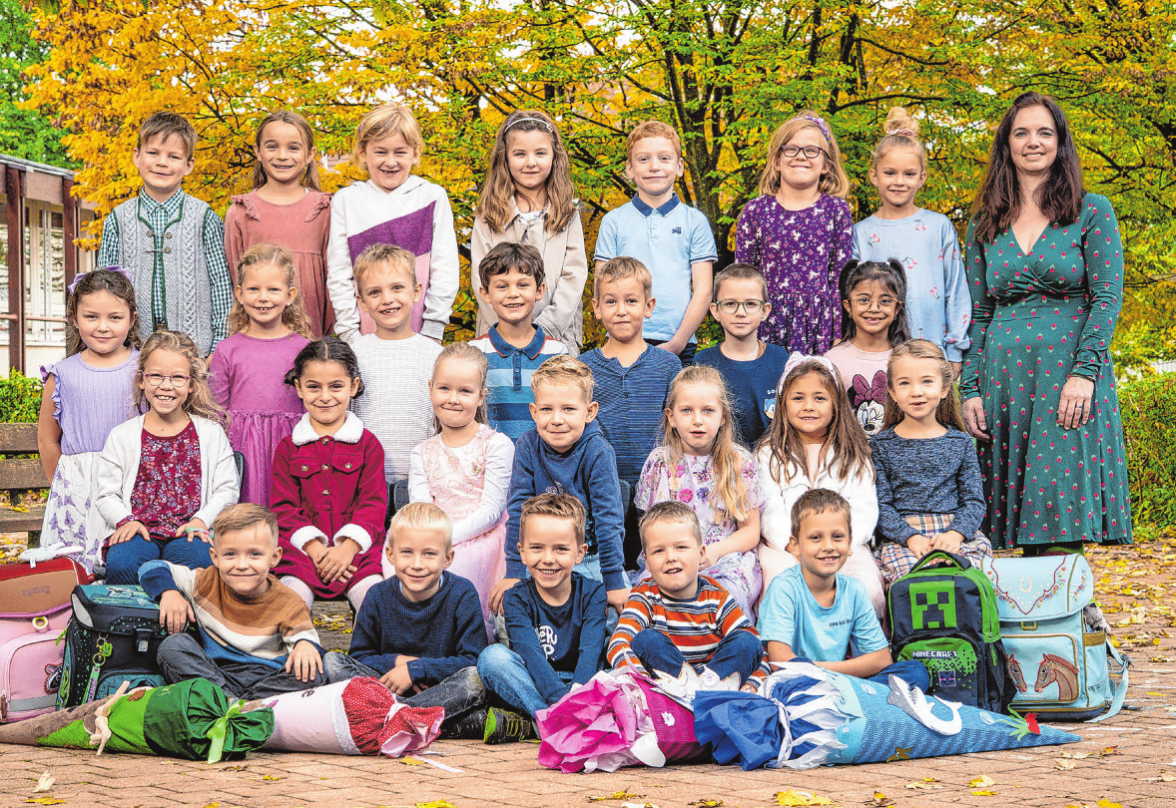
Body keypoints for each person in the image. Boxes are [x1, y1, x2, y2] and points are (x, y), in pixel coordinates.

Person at [960, 91, 1132, 553]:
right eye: (1021, 133)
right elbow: (978, 313)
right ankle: (1027, 620)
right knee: (1008, 519)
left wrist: (1084, 373)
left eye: (1044, 132)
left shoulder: (1090, 209)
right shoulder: (984, 223)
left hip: (1066, 376)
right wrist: (970, 387)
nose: (1033, 142)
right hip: (1005, 381)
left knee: (1060, 510)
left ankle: (1070, 617)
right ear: (1006, 144)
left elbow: (1107, 298)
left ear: (1060, 142)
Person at [323, 504, 530, 742]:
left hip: (442, 690)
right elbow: (360, 656)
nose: (417, 564)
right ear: (390, 555)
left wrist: (417, 669)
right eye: (407, 553)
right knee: (333, 663)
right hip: (389, 688)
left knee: (475, 679)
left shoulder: (462, 593)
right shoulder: (377, 596)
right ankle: (435, 723)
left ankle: (389, 719)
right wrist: (400, 663)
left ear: (448, 558)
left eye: (429, 554)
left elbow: (472, 660)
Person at [143, 504, 333, 700]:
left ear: (274, 557)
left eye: (255, 554)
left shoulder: (289, 601)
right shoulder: (205, 581)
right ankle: (233, 703)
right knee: (173, 646)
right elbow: (152, 568)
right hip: (218, 674)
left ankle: (234, 706)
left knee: (314, 672)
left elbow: (307, 643)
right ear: (215, 557)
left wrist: (304, 644)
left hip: (269, 678)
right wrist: (169, 592)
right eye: (230, 554)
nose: (242, 565)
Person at [92, 331, 239, 585]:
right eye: (156, 376)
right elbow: (106, 493)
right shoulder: (122, 436)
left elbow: (227, 489)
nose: (166, 386)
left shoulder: (211, 434)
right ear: (141, 380)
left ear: (192, 384)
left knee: (197, 564)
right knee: (124, 563)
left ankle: (184, 624)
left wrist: (201, 520)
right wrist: (126, 520)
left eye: (178, 378)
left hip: (189, 532)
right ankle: (134, 623)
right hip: (139, 531)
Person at [488, 356, 628, 619]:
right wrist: (515, 571)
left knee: (614, 615)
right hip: (542, 559)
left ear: (590, 411)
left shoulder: (597, 452)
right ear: (533, 411)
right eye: (546, 409)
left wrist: (613, 581)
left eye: (568, 409)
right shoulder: (528, 447)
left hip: (589, 558)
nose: (556, 419)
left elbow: (609, 520)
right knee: (510, 614)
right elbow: (518, 510)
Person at [757, 489, 929, 689]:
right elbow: (782, 662)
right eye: (815, 538)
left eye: (837, 537)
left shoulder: (853, 590)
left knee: (915, 673)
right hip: (797, 684)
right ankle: (854, 704)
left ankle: (847, 703)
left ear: (849, 544)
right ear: (795, 545)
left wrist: (827, 673)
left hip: (833, 681)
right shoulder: (785, 587)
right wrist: (839, 675)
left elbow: (882, 659)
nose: (828, 546)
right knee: (788, 685)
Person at [96, 111, 232, 355]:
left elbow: (221, 286)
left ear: (188, 165)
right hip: (132, 355)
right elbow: (103, 288)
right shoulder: (117, 219)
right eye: (153, 153)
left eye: (173, 156)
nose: (162, 162)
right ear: (137, 157)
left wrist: (217, 349)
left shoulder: (205, 217)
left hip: (195, 357)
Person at [755, 355, 882, 612]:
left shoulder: (852, 453)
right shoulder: (769, 454)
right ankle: (788, 646)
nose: (808, 406)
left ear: (836, 404)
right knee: (783, 587)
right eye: (798, 398)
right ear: (782, 404)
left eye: (820, 398)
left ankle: (851, 645)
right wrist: (795, 545)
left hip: (844, 547)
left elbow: (864, 509)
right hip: (787, 548)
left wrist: (837, 544)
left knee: (865, 586)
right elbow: (769, 511)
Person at [35, 269, 142, 571]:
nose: (103, 327)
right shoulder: (63, 374)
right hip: (75, 490)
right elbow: (47, 438)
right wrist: (67, 487)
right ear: (74, 318)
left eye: (115, 317)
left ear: (132, 318)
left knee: (121, 563)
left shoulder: (144, 370)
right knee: (72, 569)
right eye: (91, 317)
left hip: (128, 484)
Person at [270, 337, 387, 611]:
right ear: (299, 387)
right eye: (313, 387)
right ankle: (300, 650)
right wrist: (315, 550)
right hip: (302, 555)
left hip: (358, 553)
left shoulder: (368, 444)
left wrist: (347, 548)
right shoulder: (288, 448)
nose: (325, 397)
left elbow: (373, 504)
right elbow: (283, 508)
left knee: (374, 604)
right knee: (289, 605)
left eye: (336, 386)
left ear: (353, 386)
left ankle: (367, 654)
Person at [852, 107, 971, 376]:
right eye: (890, 173)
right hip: (877, 355)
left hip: (931, 353)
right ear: (874, 176)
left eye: (909, 174)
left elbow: (956, 291)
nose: (899, 182)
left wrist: (954, 348)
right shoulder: (860, 233)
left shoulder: (938, 226)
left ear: (922, 178)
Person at [635, 366, 762, 616]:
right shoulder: (659, 463)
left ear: (723, 416)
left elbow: (750, 531)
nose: (697, 420)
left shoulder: (739, 462)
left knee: (724, 594)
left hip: (723, 559)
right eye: (686, 411)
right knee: (645, 596)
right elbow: (647, 528)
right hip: (668, 558)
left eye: (708, 410)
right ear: (671, 417)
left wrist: (714, 552)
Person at [326, 103, 458, 345]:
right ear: (362, 152)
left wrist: (433, 329)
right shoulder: (347, 201)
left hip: (422, 335)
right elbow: (339, 273)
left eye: (400, 152)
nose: (390, 161)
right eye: (380, 152)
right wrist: (350, 336)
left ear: (415, 153)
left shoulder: (431, 197)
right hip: (362, 340)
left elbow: (445, 268)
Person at [579, 257, 681, 567]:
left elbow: (676, 428)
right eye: (611, 301)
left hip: (659, 491)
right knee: (609, 570)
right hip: (602, 491)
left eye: (631, 301)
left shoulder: (668, 366)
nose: (621, 310)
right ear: (596, 308)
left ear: (648, 306)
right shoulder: (584, 367)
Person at [409, 344, 515, 634]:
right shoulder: (422, 452)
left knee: (454, 570)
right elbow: (422, 512)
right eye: (444, 388)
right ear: (431, 388)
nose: (453, 399)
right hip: (433, 537)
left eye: (465, 391)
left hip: (483, 539)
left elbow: (492, 511)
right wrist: (432, 542)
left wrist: (445, 542)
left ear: (481, 396)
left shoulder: (496, 445)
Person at [608, 502, 768, 692]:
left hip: (716, 680)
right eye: (659, 551)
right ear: (647, 562)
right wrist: (640, 680)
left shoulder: (715, 596)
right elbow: (618, 643)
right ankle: (690, 693)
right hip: (670, 685)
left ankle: (705, 690)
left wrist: (752, 685)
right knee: (646, 640)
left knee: (748, 641)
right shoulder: (644, 595)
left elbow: (759, 653)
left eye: (681, 547)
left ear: (701, 554)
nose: (670, 557)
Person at [593, 121, 717, 364]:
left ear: (679, 166)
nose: (654, 167)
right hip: (621, 341)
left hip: (679, 343)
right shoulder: (613, 221)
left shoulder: (695, 221)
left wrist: (677, 344)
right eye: (643, 159)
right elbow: (602, 285)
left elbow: (704, 290)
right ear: (629, 169)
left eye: (664, 158)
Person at [477, 494, 607, 720]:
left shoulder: (593, 593)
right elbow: (530, 654)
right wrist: (562, 702)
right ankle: (555, 720)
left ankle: (545, 722)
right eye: (537, 548)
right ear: (522, 552)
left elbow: (591, 652)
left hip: (582, 684)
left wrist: (576, 696)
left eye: (560, 549)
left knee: (618, 673)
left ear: (580, 553)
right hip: (533, 682)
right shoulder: (516, 598)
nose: (548, 559)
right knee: (492, 658)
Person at [873, 340, 992, 586]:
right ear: (893, 392)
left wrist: (956, 534)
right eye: (905, 383)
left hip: (955, 533)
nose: (916, 391)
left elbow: (973, 501)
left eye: (927, 381)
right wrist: (910, 537)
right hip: (904, 538)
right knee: (914, 582)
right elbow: (881, 505)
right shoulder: (880, 445)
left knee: (970, 579)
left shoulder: (960, 443)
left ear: (945, 388)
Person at [735, 111, 853, 355]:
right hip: (767, 324)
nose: (801, 156)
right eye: (791, 149)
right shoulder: (756, 210)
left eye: (812, 150)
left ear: (826, 165)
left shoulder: (836, 210)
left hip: (819, 327)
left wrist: (841, 333)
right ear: (777, 160)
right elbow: (743, 278)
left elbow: (840, 279)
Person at [471, 110, 587, 353]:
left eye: (540, 153)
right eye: (520, 154)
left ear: (554, 157)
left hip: (557, 338)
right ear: (505, 159)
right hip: (497, 342)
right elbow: (480, 278)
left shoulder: (567, 215)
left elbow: (574, 276)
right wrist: (507, 332)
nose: (531, 162)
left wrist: (545, 330)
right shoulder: (488, 216)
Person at [210, 244, 312, 506]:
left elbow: (311, 403)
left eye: (273, 289)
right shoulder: (226, 349)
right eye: (254, 289)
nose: (263, 297)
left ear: (289, 295)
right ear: (239, 294)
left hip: (291, 446)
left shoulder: (303, 348)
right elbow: (216, 411)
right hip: (242, 447)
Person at [225, 110, 334, 337]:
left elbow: (333, 279)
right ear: (258, 151)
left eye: (293, 148)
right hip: (255, 336)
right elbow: (234, 280)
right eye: (272, 146)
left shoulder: (325, 210)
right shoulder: (241, 213)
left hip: (312, 338)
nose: (282, 156)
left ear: (310, 154)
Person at [349, 243, 444, 487]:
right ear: (361, 301)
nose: (387, 299)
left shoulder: (437, 356)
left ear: (416, 291)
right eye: (375, 292)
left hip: (424, 482)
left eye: (397, 288)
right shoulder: (354, 355)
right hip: (364, 482)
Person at [469, 242, 569, 443]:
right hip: (489, 465)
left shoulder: (557, 353)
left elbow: (566, 411)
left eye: (523, 284)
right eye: (502, 286)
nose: (513, 293)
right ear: (486, 293)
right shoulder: (474, 353)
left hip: (542, 466)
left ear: (539, 290)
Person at [694, 263, 789, 449]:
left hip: (772, 464)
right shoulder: (704, 363)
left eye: (751, 304)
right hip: (720, 465)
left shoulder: (780, 360)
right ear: (715, 311)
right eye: (730, 304)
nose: (740, 312)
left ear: (765, 311)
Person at [824, 259, 911, 436]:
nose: (874, 308)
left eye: (885, 301)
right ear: (848, 305)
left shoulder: (908, 359)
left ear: (897, 308)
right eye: (864, 300)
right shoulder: (833, 361)